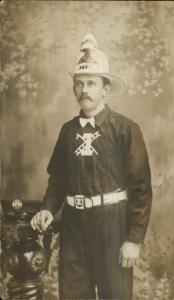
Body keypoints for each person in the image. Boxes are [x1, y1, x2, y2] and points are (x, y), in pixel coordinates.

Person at [30, 33, 152, 300]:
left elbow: (141, 188)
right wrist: (49, 209)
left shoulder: (126, 130)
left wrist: (133, 239)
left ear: (105, 89)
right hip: (73, 228)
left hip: (112, 225)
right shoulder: (67, 131)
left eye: (91, 84)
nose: (84, 90)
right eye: (79, 83)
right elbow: (57, 181)